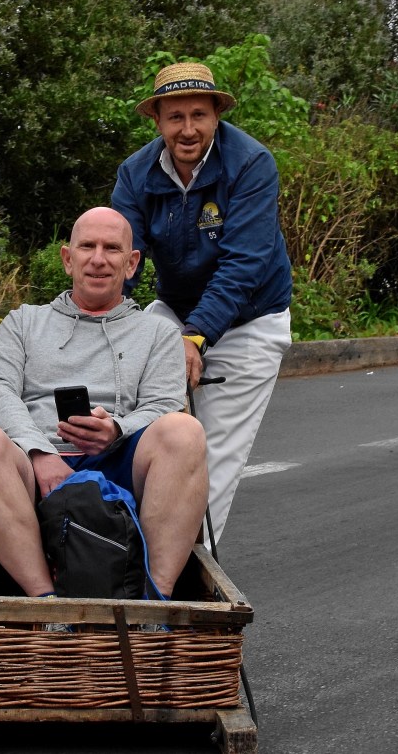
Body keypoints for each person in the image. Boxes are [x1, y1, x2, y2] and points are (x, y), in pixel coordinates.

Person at [0, 207, 209, 602]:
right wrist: (39, 453)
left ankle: (153, 605)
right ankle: (47, 604)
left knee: (185, 431)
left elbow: (163, 403)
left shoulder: (158, 332)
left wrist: (117, 429)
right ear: (67, 258)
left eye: (112, 249)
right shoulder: (24, 322)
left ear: (131, 263)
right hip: (35, 465)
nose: (98, 259)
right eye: (87, 246)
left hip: (120, 459)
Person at [111, 61, 292, 548]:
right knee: (142, 434)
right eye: (175, 117)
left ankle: (186, 573)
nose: (187, 129)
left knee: (213, 459)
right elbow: (123, 260)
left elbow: (244, 264)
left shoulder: (251, 164)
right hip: (175, 308)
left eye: (198, 115)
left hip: (250, 317)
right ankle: (123, 552)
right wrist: (100, 322)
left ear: (216, 116)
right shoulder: (135, 172)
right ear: (157, 120)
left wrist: (196, 336)